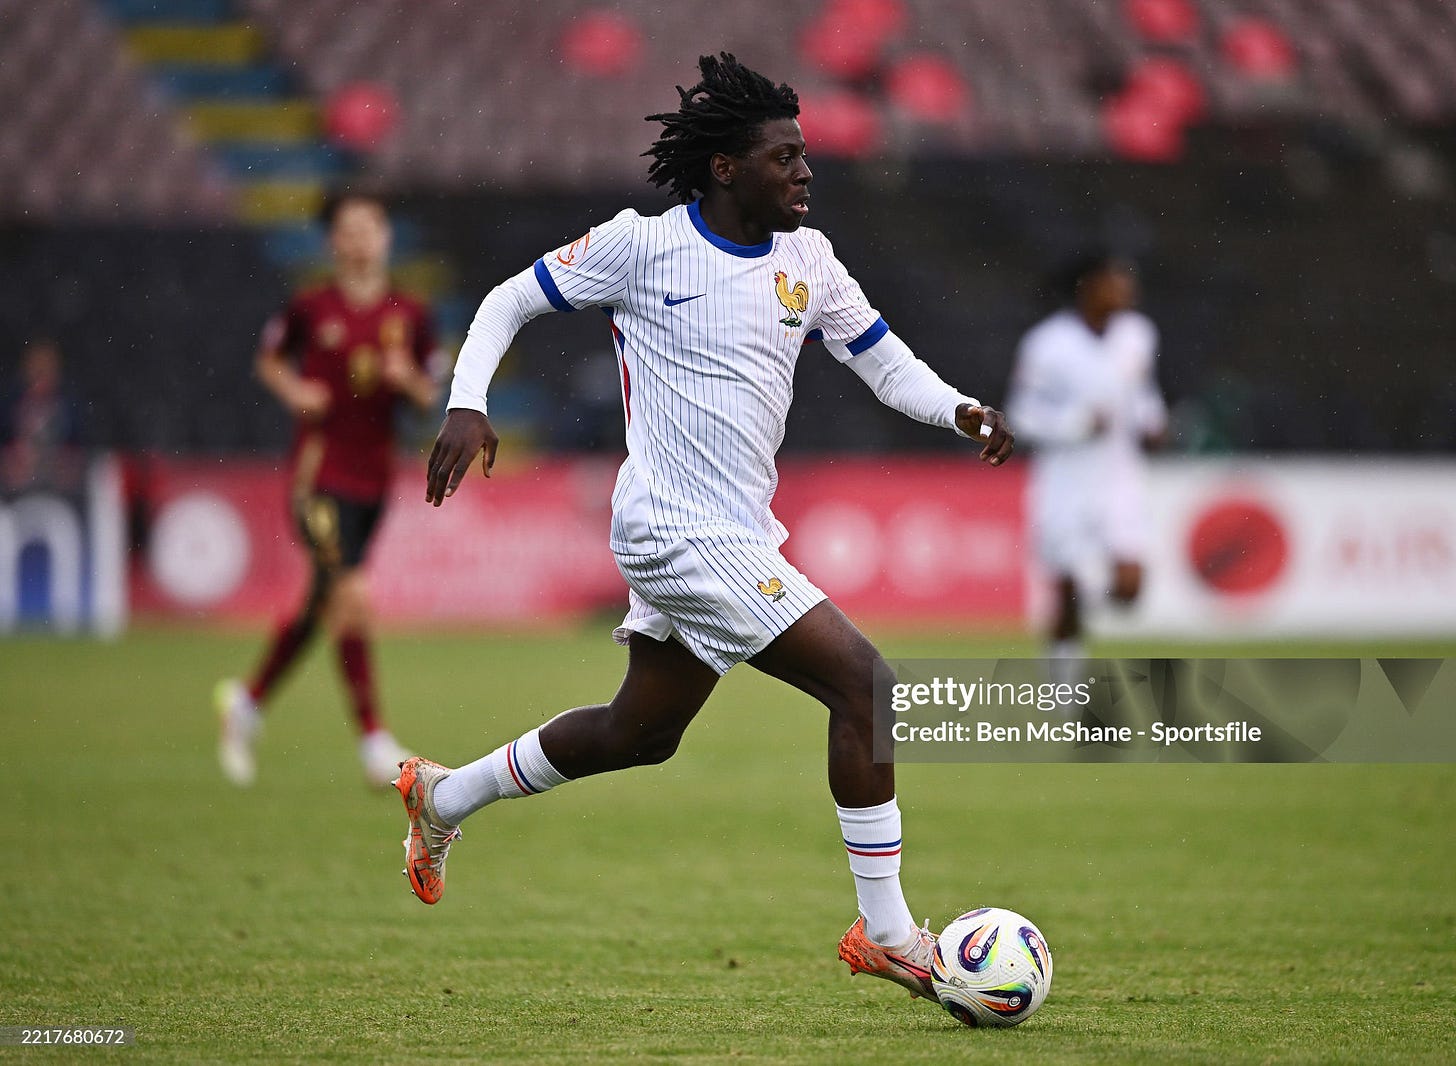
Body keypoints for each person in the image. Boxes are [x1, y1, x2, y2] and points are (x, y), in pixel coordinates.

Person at [393, 53, 1013, 1003]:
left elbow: (887, 366)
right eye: (785, 157)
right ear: (726, 167)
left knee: (641, 732)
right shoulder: (643, 246)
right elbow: (510, 297)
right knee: (867, 685)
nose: (806, 172)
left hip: (739, 534)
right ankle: (888, 932)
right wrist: (466, 403)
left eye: (805, 155)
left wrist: (960, 409)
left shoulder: (810, 262)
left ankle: (443, 797)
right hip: (672, 532)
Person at [215, 190, 442, 788]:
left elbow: (429, 396)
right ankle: (374, 741)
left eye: (372, 226)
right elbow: (269, 359)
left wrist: (409, 379)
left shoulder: (412, 315)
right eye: (350, 228)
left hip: (373, 480)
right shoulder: (311, 309)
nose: (362, 238)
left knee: (323, 606)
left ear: (387, 236)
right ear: (333, 242)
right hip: (318, 477)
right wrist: (293, 392)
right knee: (353, 595)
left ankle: (248, 701)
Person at [1005, 254, 1167, 687]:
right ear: (1088, 287)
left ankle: (1081, 602)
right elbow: (1022, 415)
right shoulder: (1046, 344)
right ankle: (1062, 683)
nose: (1126, 290)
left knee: (1130, 587)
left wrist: (1153, 422)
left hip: (1119, 478)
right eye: (1116, 281)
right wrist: (1076, 423)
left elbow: (1143, 395)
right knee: (1067, 588)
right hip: (1065, 481)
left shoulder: (1137, 335)